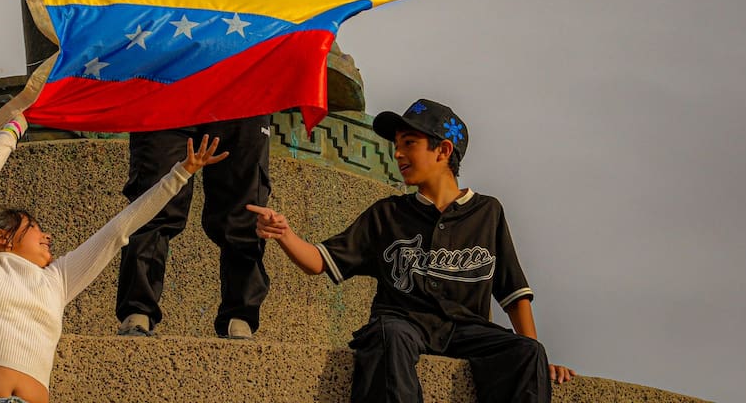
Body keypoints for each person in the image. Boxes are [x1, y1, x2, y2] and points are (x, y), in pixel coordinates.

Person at [24, 0, 417, 340]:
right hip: (165, 94)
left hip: (239, 96)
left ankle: (240, 318)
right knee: (152, 203)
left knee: (242, 211)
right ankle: (137, 314)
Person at [246, 98, 575, 403]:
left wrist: (536, 353)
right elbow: (320, 262)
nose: (398, 154)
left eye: (409, 144)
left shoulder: (487, 212)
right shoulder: (387, 214)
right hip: (403, 323)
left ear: (443, 150)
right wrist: (285, 234)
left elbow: (513, 292)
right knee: (388, 337)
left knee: (525, 353)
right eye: (397, 146)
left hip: (467, 329)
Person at [0, 111, 228, 403]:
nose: (47, 236)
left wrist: (181, 173)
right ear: (1, 237)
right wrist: (17, 125)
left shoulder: (58, 279)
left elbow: (120, 229)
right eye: (34, 228)